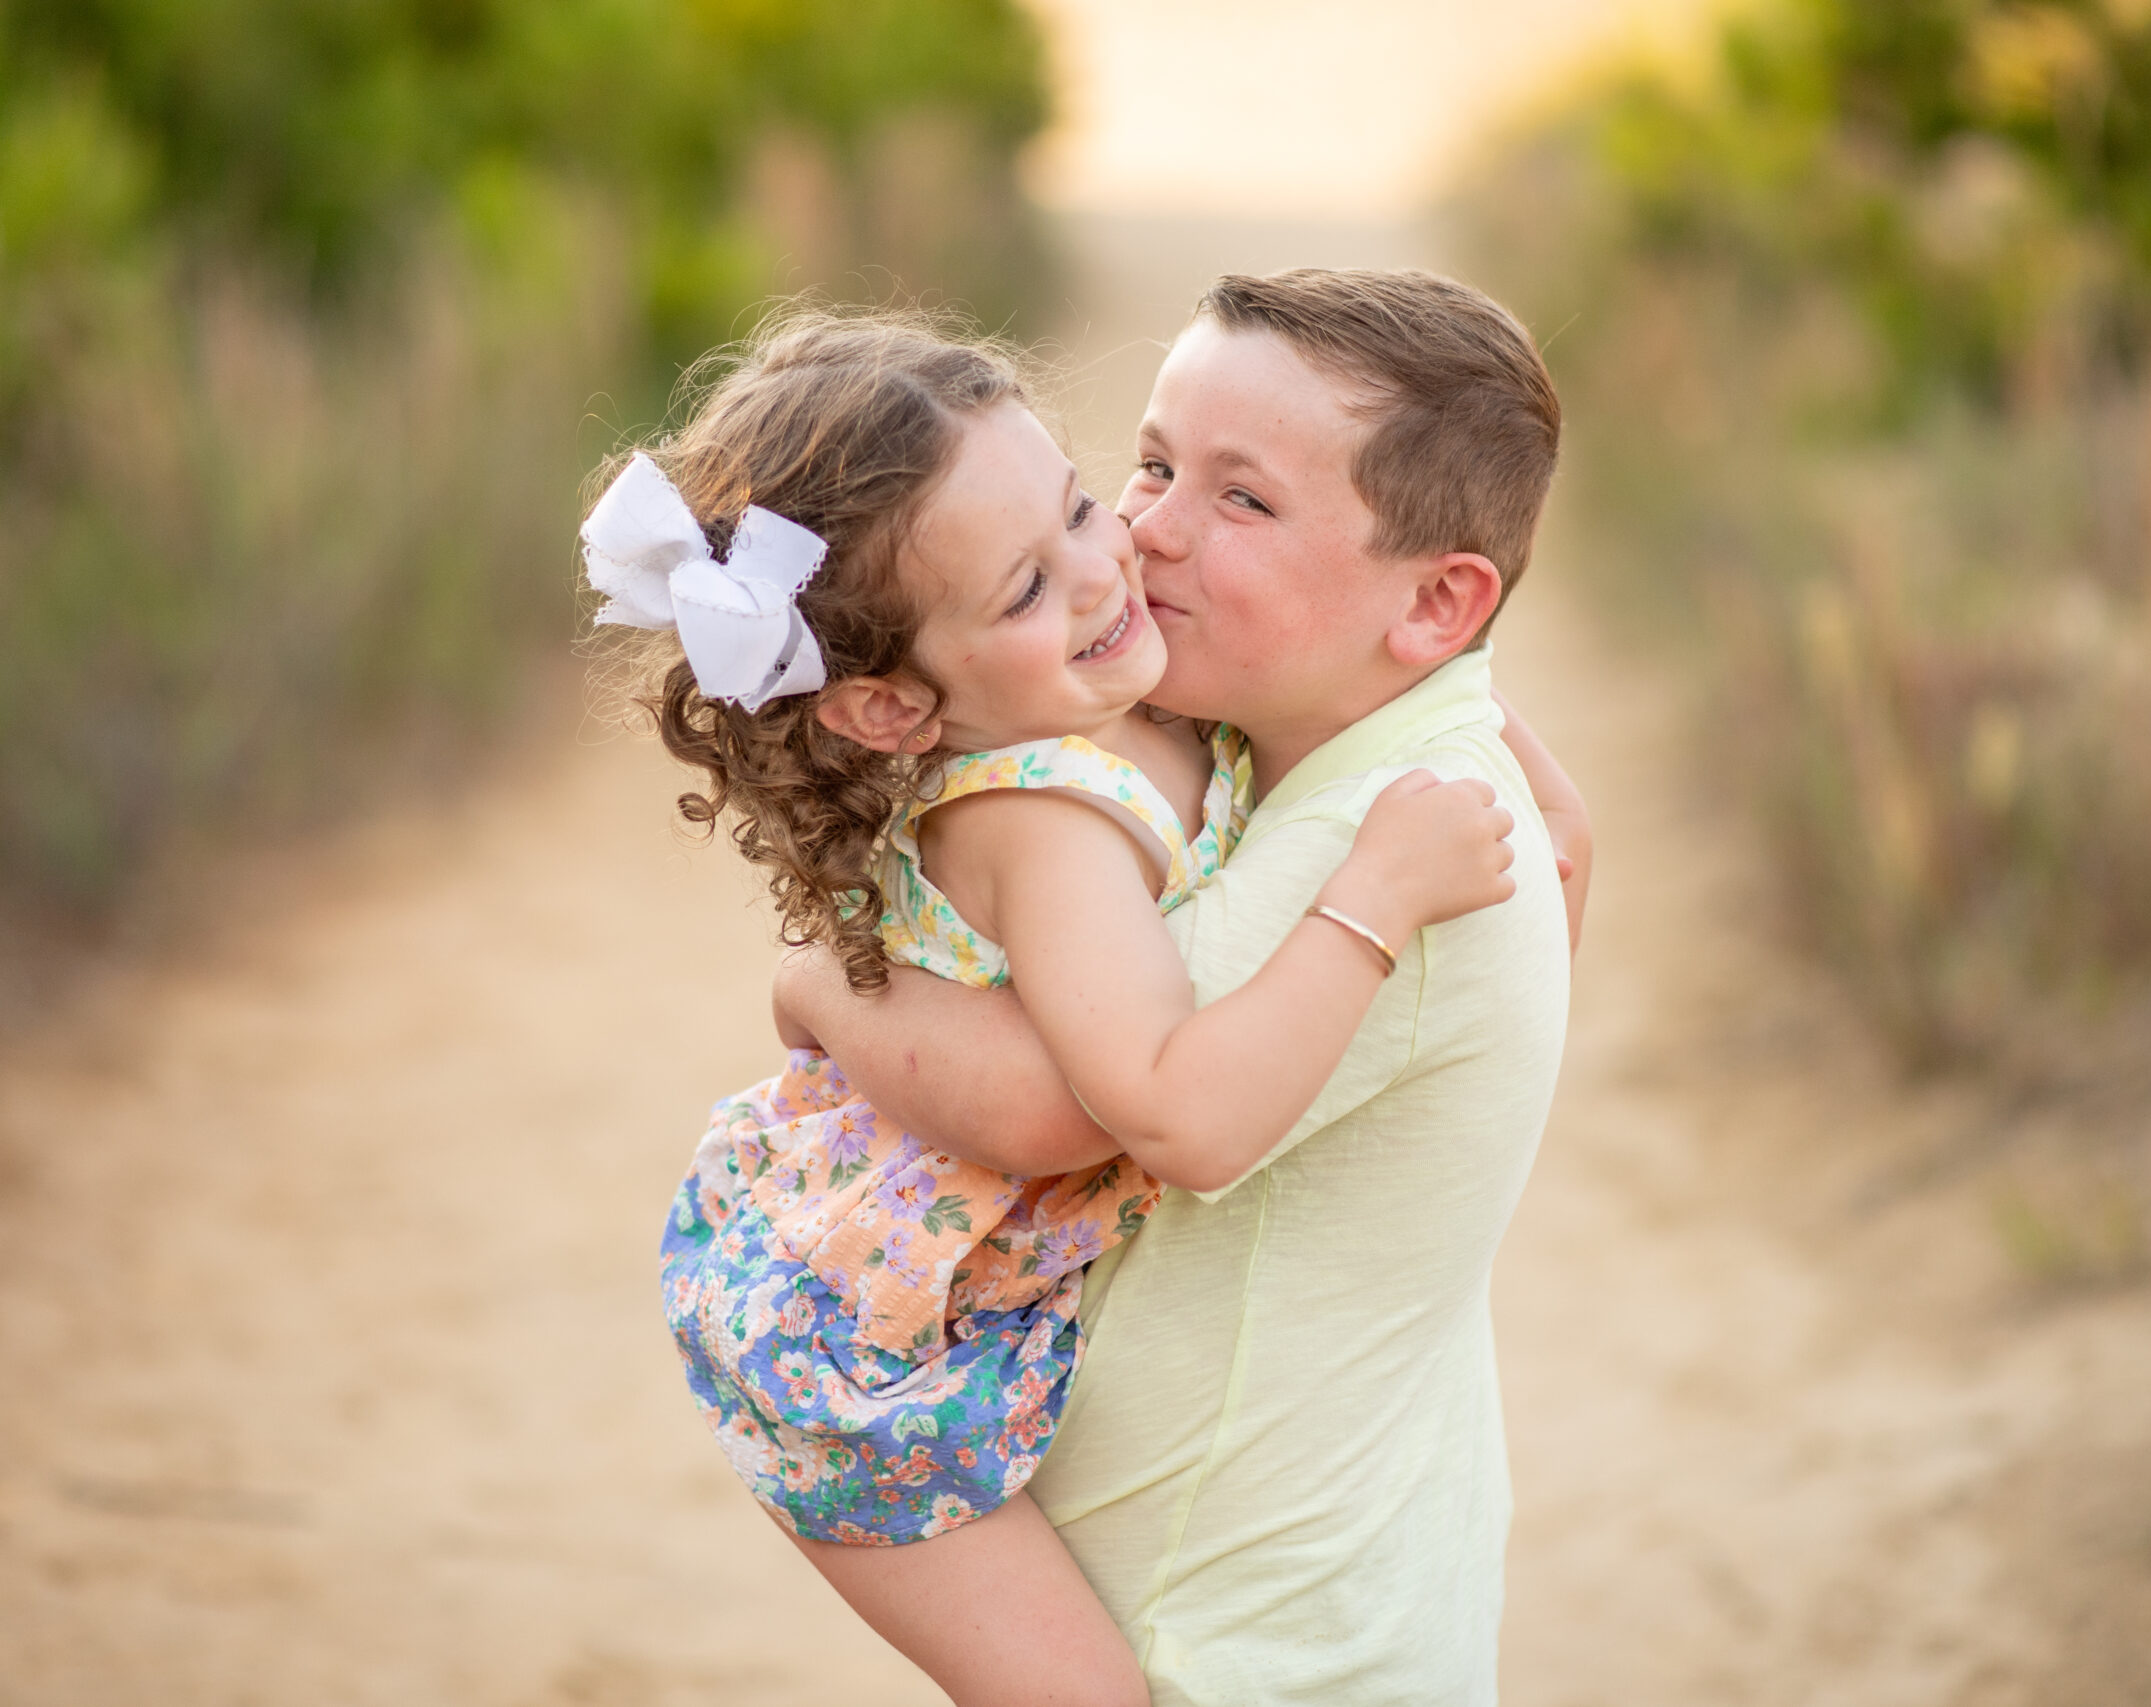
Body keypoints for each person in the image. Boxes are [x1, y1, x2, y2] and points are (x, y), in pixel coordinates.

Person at [585, 309, 1540, 1707]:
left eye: (1084, 505)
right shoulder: (1050, 817)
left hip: (960, 1304)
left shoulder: (1127, 705)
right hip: (854, 1355)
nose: (1114, 567)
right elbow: (1168, 1113)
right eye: (1028, 589)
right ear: (891, 712)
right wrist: (1375, 902)